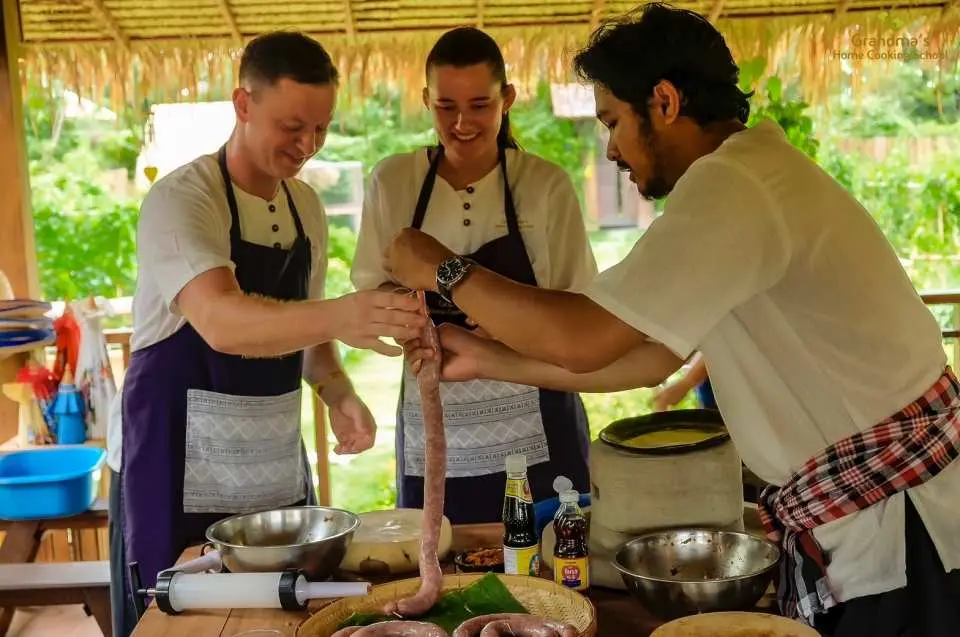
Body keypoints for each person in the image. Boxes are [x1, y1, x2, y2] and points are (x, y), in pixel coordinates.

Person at [384, 4, 960, 636]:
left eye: (612, 122)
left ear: (663, 101)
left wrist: (440, 266)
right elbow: (649, 356)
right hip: (875, 519)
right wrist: (491, 358)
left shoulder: (737, 186)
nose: (610, 149)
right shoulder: (740, 182)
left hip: (906, 531)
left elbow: (584, 334)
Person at [107, 32, 424, 637]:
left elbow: (302, 326)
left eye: (321, 129)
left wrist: (335, 389)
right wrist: (344, 313)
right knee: (180, 621)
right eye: (291, 126)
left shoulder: (305, 205)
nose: (307, 145)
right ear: (243, 104)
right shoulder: (183, 199)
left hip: (271, 470)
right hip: (173, 470)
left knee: (285, 618)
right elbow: (223, 321)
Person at [350, 26, 598, 524]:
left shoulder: (543, 184)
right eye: (446, 107)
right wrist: (411, 324)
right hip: (436, 413)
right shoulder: (393, 181)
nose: (462, 122)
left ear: (507, 99)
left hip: (539, 405)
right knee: (441, 559)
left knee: (552, 560)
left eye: (480, 105)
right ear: (426, 100)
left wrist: (506, 329)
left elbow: (582, 305)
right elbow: (371, 292)